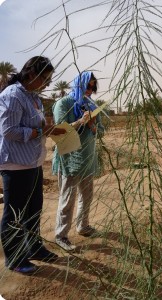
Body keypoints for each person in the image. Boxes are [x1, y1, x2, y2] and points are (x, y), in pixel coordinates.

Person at [0, 56, 66, 274]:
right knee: (15, 214)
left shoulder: (33, 97)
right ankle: (16, 258)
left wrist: (48, 128)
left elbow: (35, 124)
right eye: (44, 78)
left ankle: (34, 247)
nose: (47, 83)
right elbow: (9, 131)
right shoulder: (12, 95)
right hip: (16, 164)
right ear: (30, 74)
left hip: (33, 162)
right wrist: (38, 132)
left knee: (33, 210)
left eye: (49, 79)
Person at [52, 71, 104, 251]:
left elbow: (101, 132)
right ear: (79, 84)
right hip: (70, 159)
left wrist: (93, 125)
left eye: (93, 87)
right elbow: (59, 130)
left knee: (87, 196)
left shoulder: (91, 105)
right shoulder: (63, 103)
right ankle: (61, 235)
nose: (90, 90)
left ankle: (83, 226)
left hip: (87, 159)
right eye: (88, 86)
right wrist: (81, 121)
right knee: (67, 199)